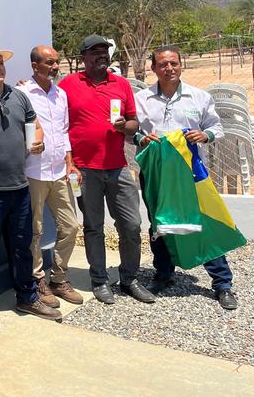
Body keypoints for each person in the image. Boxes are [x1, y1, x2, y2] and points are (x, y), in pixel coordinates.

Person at [134, 46, 237, 310]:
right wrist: (140, 138)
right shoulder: (141, 99)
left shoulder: (199, 97)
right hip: (156, 174)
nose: (169, 69)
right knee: (160, 223)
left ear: (181, 65)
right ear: (153, 68)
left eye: (173, 64)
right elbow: (131, 130)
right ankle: (164, 273)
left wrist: (205, 135)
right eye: (162, 64)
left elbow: (216, 127)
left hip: (191, 173)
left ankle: (222, 284)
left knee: (203, 221)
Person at [0, 44, 62, 325]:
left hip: (19, 186)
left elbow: (35, 124)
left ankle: (27, 296)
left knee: (22, 245)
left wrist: (39, 140)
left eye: (1, 63)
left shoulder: (18, 97)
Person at [59, 35, 155, 305]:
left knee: (132, 225)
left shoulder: (121, 84)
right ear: (83, 58)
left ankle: (129, 279)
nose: (101, 55)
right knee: (93, 227)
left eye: (104, 51)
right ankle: (100, 280)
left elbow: (135, 123)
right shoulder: (68, 84)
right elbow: (53, 113)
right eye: (94, 52)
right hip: (85, 170)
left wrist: (125, 126)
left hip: (118, 167)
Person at [18, 46, 83, 307]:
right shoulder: (22, 93)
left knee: (70, 225)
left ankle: (59, 277)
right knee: (35, 230)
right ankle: (38, 280)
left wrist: (70, 163)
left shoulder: (61, 94)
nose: (55, 67)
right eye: (49, 62)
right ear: (35, 66)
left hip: (59, 172)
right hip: (33, 172)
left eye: (56, 62)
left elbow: (64, 131)